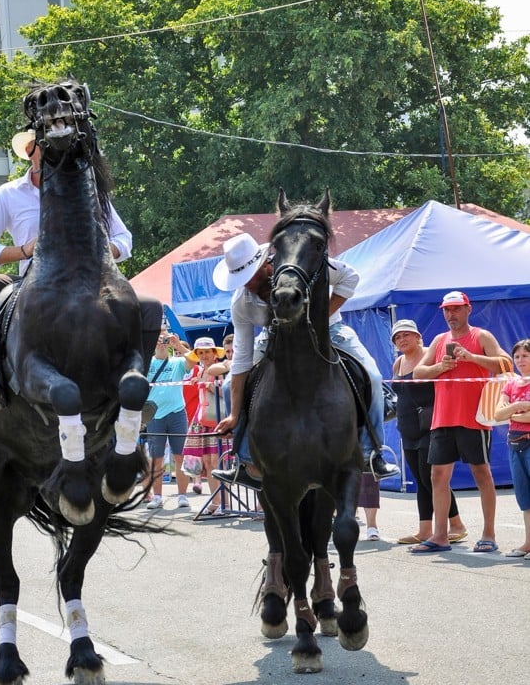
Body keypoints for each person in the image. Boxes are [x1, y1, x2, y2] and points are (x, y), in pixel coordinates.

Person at [0, 129, 162, 410]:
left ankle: (134, 391)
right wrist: (25, 250)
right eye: (47, 145)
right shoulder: (9, 194)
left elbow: (124, 240)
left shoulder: (90, 193)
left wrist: (102, 250)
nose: (57, 152)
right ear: (30, 150)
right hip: (34, 281)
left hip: (93, 284)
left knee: (151, 307)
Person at [210, 232, 400, 489]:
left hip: (330, 330)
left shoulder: (303, 265)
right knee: (226, 386)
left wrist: (322, 316)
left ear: (267, 263)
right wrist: (233, 414)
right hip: (273, 338)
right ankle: (244, 462)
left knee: (373, 376)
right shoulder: (240, 303)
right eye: (242, 281)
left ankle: (372, 452)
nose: (249, 285)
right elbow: (242, 357)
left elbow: (350, 277)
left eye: (252, 277)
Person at [411, 291, 510, 555]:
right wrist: (439, 368)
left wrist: (472, 357)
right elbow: (419, 372)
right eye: (446, 310)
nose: (450, 314)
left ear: (468, 309)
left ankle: (489, 534)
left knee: (482, 473)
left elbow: (506, 364)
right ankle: (440, 535)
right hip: (442, 417)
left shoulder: (481, 336)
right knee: (438, 476)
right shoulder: (439, 340)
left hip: (474, 418)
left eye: (456, 309)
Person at [391, 319, 467, 546]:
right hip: (407, 428)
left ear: (417, 336)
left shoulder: (428, 356)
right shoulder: (398, 363)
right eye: (397, 337)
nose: (402, 340)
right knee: (419, 479)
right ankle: (425, 529)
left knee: (431, 478)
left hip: (431, 425)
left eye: (406, 335)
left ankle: (457, 524)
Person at [144, 332, 197, 511]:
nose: (161, 343)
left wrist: (177, 345)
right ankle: (157, 496)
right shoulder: (147, 362)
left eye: (163, 340)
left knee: (180, 456)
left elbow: (193, 361)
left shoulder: (176, 361)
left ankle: (182, 495)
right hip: (154, 415)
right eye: (157, 339)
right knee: (156, 459)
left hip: (177, 413)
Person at [181, 337, 229, 513]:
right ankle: (216, 500)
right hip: (203, 419)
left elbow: (225, 393)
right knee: (208, 462)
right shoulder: (201, 370)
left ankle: (225, 502)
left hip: (216, 419)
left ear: (214, 353)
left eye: (207, 352)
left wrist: (206, 385)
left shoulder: (220, 369)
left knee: (218, 462)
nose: (203, 355)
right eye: (200, 352)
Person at [494, 338, 530, 558]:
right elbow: (497, 414)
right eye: (517, 356)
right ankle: (528, 543)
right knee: (524, 497)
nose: (520, 360)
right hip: (514, 443)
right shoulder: (510, 384)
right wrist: (517, 407)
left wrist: (512, 413)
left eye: (525, 355)